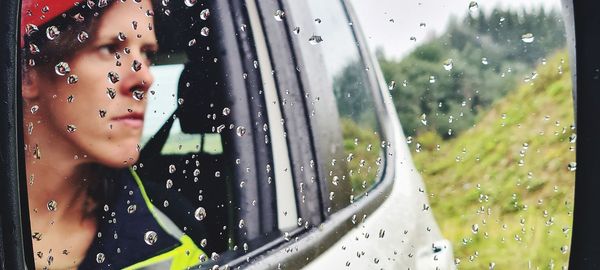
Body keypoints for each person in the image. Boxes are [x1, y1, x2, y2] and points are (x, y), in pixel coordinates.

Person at [21, 0, 205, 268]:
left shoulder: (175, 230)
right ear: (27, 73)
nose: (145, 78)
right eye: (110, 48)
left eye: (147, 54)